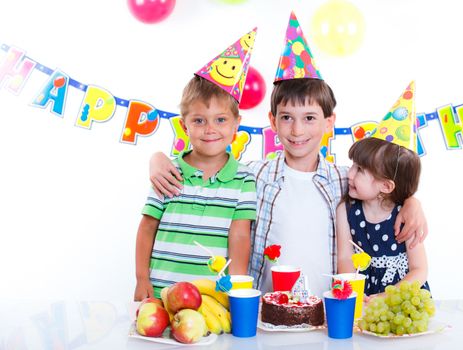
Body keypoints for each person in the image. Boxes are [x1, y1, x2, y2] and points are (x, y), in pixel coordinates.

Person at [148, 13, 428, 297]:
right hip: (267, 311)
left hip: (327, 309)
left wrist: (411, 202)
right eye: (286, 118)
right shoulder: (252, 175)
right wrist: (158, 158)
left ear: (329, 122)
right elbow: (208, 165)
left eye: (309, 118)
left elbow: (384, 188)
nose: (296, 130)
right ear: (272, 121)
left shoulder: (345, 179)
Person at [134, 30, 258, 301]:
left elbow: (239, 237)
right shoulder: (169, 172)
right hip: (161, 292)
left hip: (212, 297)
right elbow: (147, 226)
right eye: (199, 120)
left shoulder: (244, 178)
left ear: (237, 124)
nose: (210, 129)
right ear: (184, 125)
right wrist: (142, 279)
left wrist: (237, 290)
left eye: (220, 120)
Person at [336, 82, 430, 298]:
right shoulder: (346, 209)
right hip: (363, 295)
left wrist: (389, 297)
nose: (350, 174)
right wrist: (353, 294)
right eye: (353, 165)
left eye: (360, 170)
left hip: (402, 297)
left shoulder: (405, 215)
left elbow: (419, 270)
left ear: (386, 186)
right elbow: (345, 258)